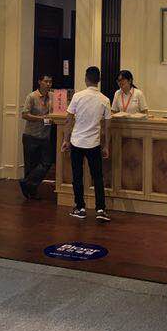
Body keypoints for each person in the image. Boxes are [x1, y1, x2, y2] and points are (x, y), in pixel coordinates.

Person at [62, 66, 111, 222]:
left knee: (77, 175)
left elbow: (68, 120)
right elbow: (107, 126)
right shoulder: (105, 99)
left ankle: (80, 207)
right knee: (97, 177)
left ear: (86, 79)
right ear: (99, 80)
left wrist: (66, 139)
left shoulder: (77, 96)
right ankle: (100, 209)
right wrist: (106, 145)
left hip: (77, 141)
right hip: (94, 143)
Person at [19, 74, 55, 200]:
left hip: (45, 136)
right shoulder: (32, 96)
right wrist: (41, 118)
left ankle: (26, 183)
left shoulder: (53, 96)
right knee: (30, 165)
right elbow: (24, 114)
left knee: (47, 162)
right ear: (40, 82)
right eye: (46, 81)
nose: (48, 84)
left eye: (50, 82)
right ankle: (31, 192)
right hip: (31, 136)